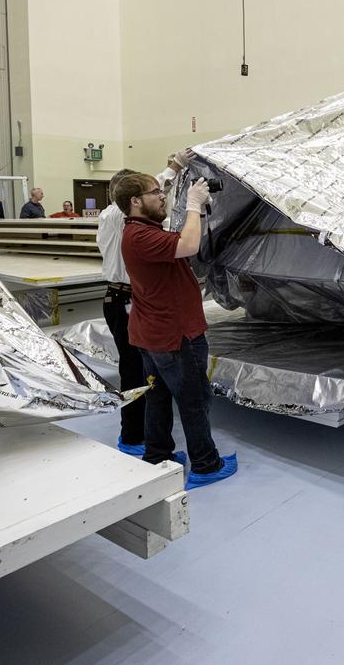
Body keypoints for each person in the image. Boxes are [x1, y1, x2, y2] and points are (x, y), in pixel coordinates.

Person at [116, 171, 237, 488]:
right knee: (194, 401)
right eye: (155, 192)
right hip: (174, 337)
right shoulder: (141, 236)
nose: (162, 196)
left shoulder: (140, 231)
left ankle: (158, 457)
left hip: (152, 335)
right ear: (135, 201)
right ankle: (206, 465)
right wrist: (194, 204)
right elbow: (188, 244)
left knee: (158, 399)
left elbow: (178, 241)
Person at [96, 169, 153, 457]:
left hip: (128, 298)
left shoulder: (118, 221)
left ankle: (143, 431)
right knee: (133, 371)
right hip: (123, 299)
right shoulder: (112, 216)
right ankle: (131, 437)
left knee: (140, 369)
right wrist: (174, 169)